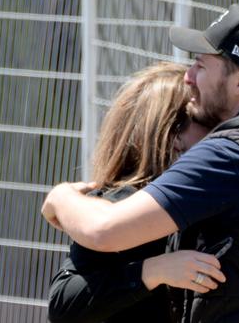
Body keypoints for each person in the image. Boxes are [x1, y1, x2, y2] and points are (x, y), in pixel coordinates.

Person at [41, 4, 239, 322]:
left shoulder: (229, 156)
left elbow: (103, 229)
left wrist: (62, 197)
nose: (188, 76)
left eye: (200, 65)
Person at [47, 62, 215, 323]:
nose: (220, 133)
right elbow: (64, 304)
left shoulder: (214, 193)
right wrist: (154, 271)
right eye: (206, 121)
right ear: (171, 133)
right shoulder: (118, 204)